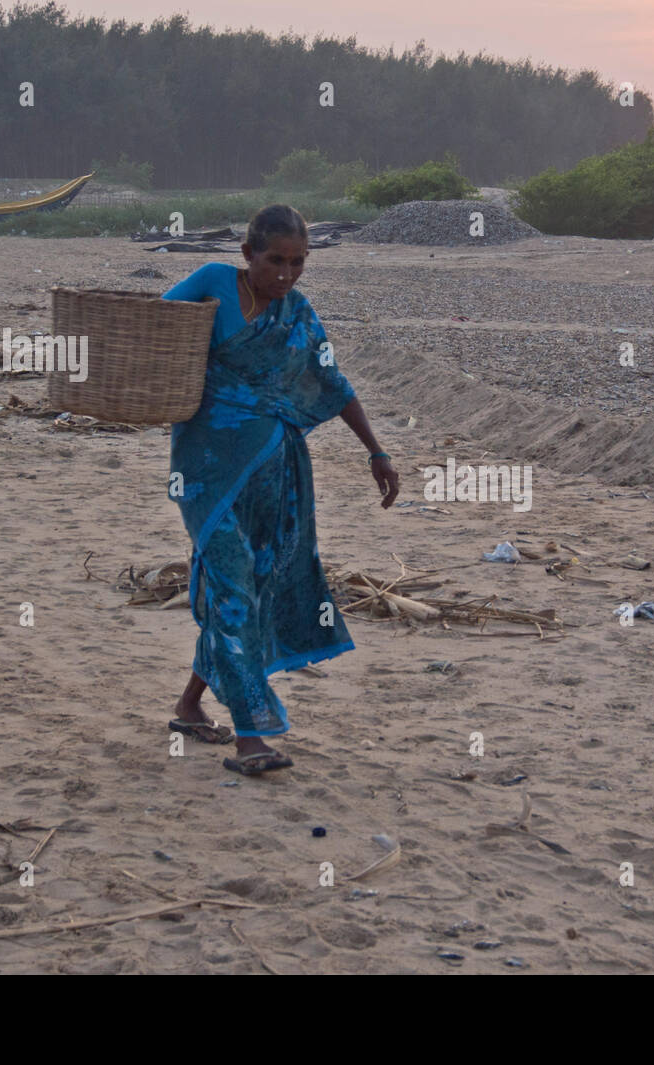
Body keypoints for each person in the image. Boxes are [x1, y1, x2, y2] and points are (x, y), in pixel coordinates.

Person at [159, 204, 398, 775]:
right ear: (248, 254)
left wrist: (377, 450)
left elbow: (332, 382)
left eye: (298, 262)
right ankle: (251, 737)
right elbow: (155, 328)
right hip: (206, 472)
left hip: (279, 471)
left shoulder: (297, 311)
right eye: (275, 260)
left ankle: (191, 704)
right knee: (236, 588)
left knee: (252, 587)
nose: (286, 274)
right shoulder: (216, 282)